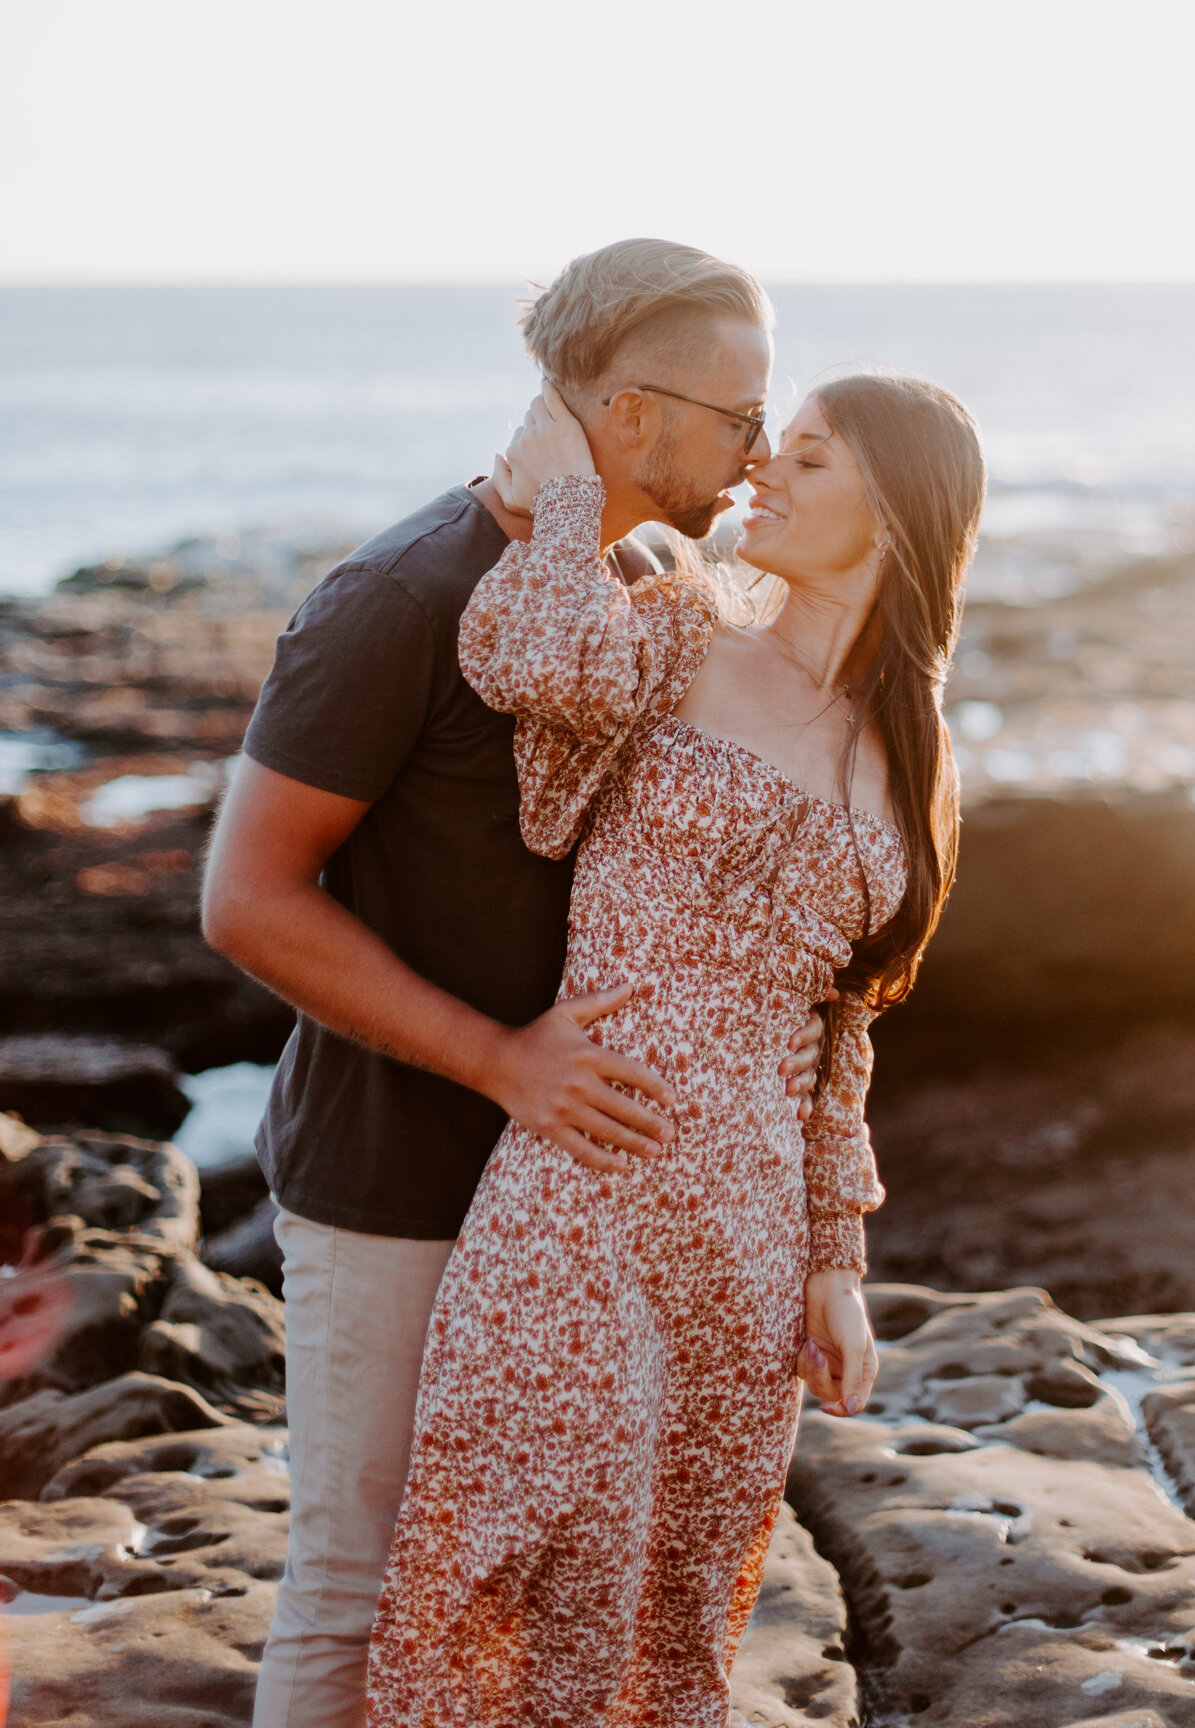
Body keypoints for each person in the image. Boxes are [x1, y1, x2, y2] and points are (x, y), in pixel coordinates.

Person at [199, 238, 827, 1728]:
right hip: (403, 1181)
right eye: (738, 416)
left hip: (580, 1203)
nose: (754, 450)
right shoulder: (400, 597)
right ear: (626, 413)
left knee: (532, 1603)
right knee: (357, 1588)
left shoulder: (625, 589)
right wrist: (500, 1060)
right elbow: (246, 898)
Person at [365, 361, 986, 1727]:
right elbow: (520, 653)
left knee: (671, 1608)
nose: (763, 468)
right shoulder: (684, 628)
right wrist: (569, 485)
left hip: (746, 1239)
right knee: (490, 1563)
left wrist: (833, 1263)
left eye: (809, 459)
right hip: (581, 1185)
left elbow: (841, 1038)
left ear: (897, 513)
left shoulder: (915, 752)